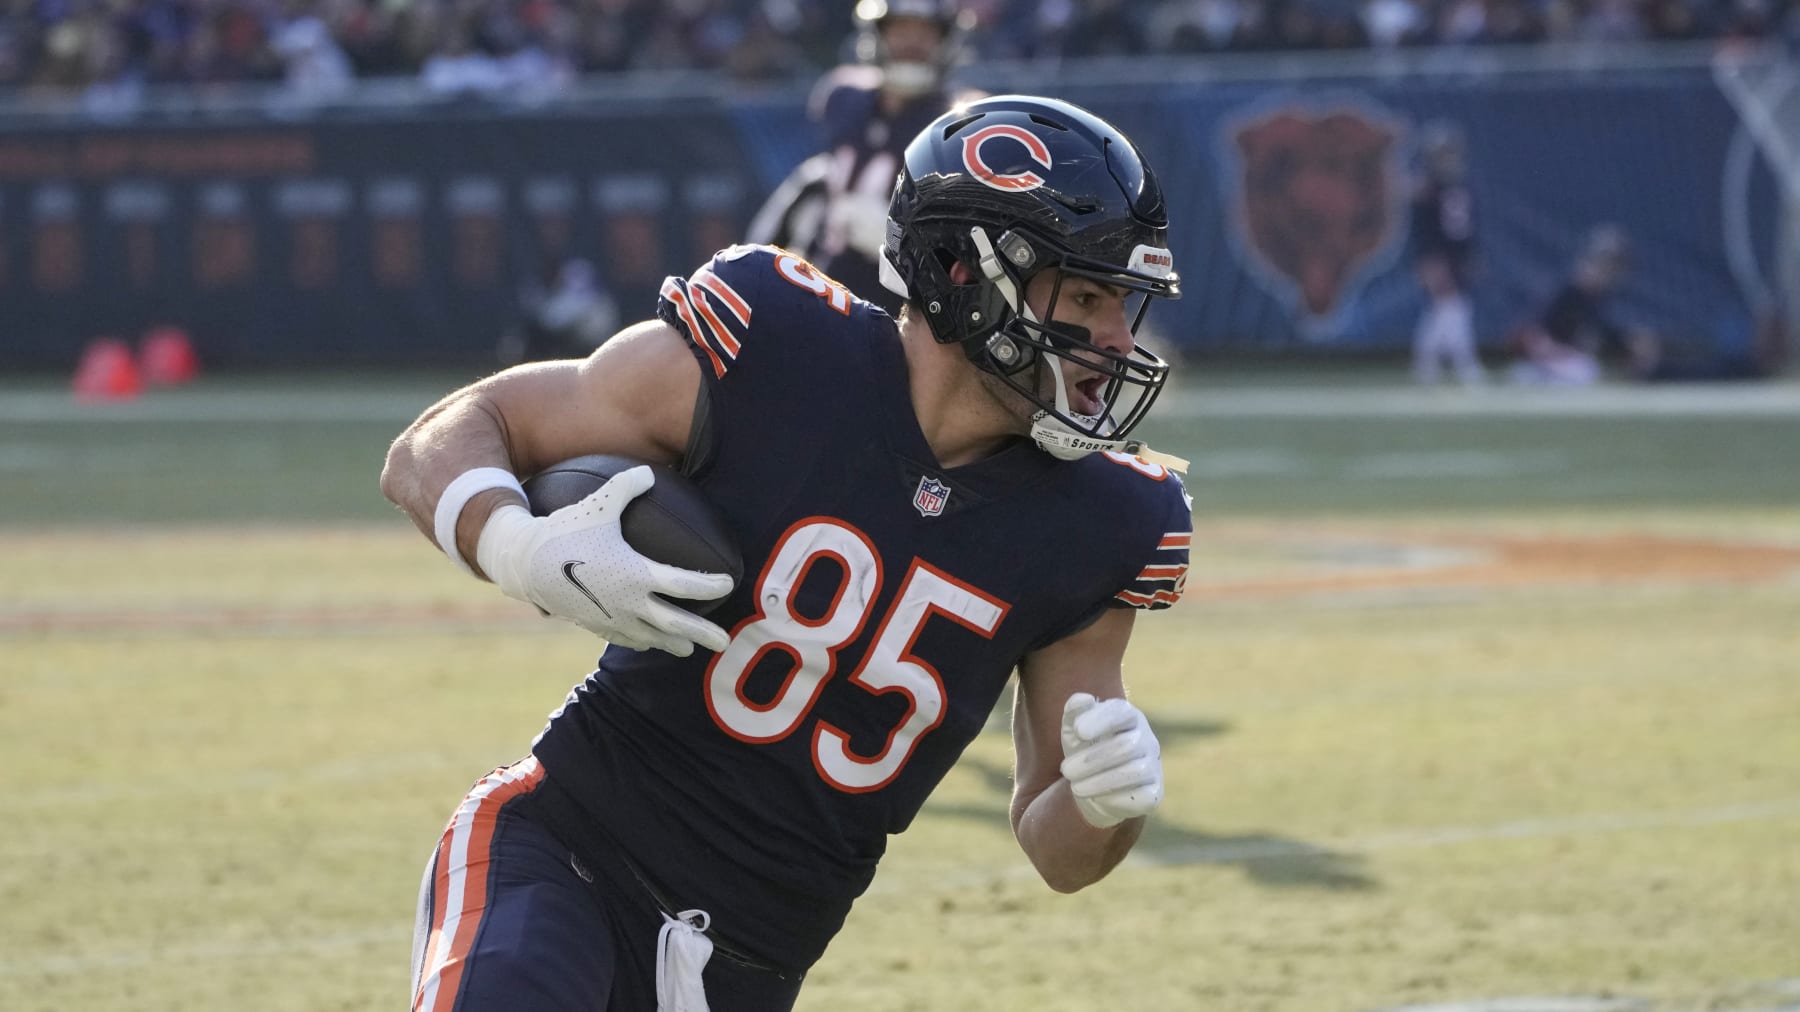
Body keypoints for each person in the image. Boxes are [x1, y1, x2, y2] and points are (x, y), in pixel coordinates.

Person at [382, 94, 1192, 1011]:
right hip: (565, 857)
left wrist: (1109, 801)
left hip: (751, 971)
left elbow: (1058, 852)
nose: (1120, 341)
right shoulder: (777, 349)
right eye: (1087, 297)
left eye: (1124, 304)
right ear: (967, 273)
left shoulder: (1108, 519)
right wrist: (517, 546)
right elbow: (447, 437)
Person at [744, 0, 980, 314]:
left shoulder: (962, 121)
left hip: (907, 309)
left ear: (946, 40)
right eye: (900, 29)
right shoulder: (844, 98)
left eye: (924, 31)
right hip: (823, 289)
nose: (911, 42)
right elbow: (823, 177)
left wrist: (901, 238)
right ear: (877, 34)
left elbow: (968, 248)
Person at [1507, 224, 1656, 386]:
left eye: (1613, 268)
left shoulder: (1595, 299)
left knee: (1587, 369)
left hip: (1560, 365)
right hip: (1536, 368)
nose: (1609, 273)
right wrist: (1558, 353)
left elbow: (1602, 333)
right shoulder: (1567, 293)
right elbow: (1534, 338)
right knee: (1586, 371)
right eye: (1604, 264)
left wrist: (1630, 342)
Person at [1408, 120, 1486, 386]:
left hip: (1458, 254)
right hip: (1437, 256)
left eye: (1451, 153)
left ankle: (1425, 365)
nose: (1448, 159)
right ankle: (1465, 366)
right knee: (1454, 309)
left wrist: (1472, 254)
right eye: (1443, 154)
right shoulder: (1426, 188)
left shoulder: (1462, 185)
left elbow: (1467, 227)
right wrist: (1428, 261)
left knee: (1445, 311)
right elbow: (1422, 230)